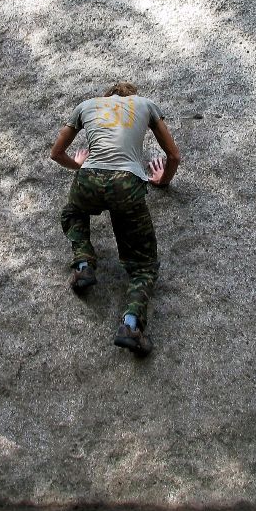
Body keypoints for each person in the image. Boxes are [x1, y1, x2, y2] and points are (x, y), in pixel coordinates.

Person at [49, 82, 181, 357]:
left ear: (106, 98)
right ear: (131, 98)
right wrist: (162, 181)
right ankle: (131, 325)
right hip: (127, 185)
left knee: (74, 212)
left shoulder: (86, 105)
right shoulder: (145, 105)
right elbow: (174, 155)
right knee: (143, 264)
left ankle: (83, 263)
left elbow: (56, 153)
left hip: (90, 178)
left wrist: (80, 165)